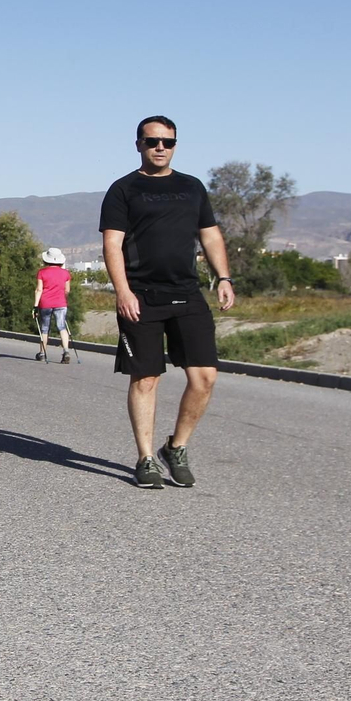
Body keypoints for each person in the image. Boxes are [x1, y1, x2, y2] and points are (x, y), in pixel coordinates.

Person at [100, 116, 234, 489]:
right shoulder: (123, 189)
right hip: (141, 296)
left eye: (168, 141)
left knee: (205, 376)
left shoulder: (192, 188)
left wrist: (223, 277)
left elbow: (210, 236)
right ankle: (145, 458)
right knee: (146, 378)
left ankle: (176, 447)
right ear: (139, 144)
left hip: (188, 294)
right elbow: (112, 244)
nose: (160, 147)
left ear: (175, 145)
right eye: (152, 141)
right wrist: (122, 291)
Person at [35, 248, 73, 363]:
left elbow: (39, 289)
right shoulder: (66, 273)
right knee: (62, 326)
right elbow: (67, 290)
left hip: (45, 303)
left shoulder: (42, 272)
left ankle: (42, 353)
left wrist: (35, 305)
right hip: (61, 303)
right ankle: (66, 351)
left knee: (45, 328)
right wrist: (62, 299)